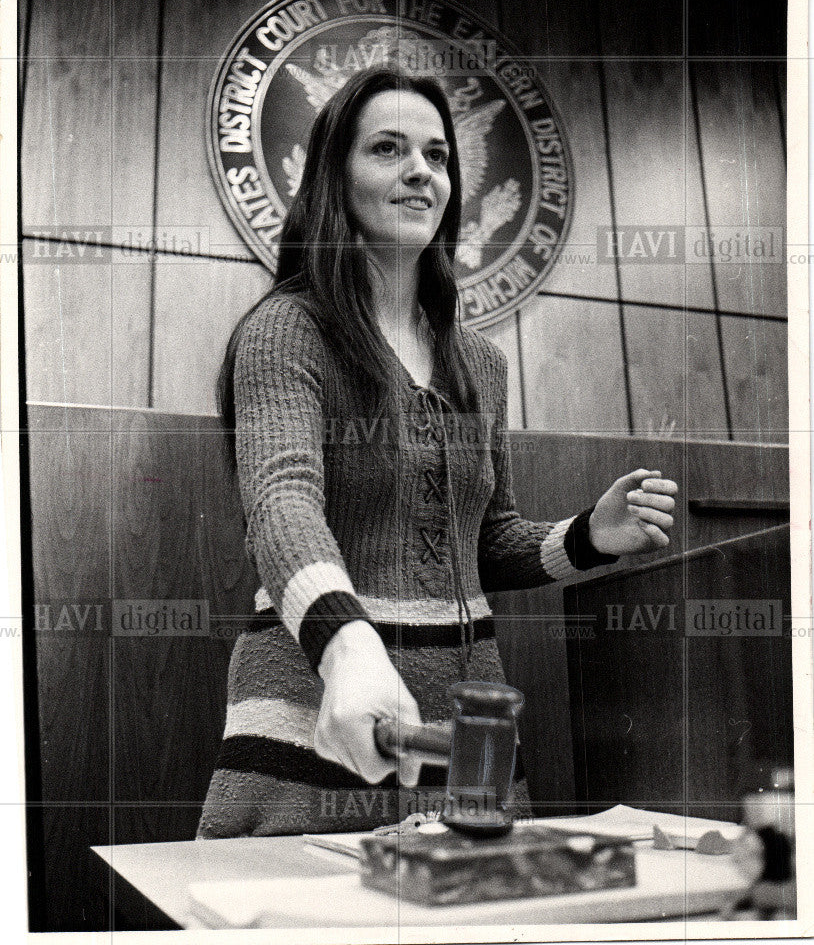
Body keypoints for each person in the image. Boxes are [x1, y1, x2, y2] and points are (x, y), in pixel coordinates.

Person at [196, 66, 678, 838]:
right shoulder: (287, 331)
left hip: (467, 727)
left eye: (438, 154)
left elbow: (484, 545)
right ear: (334, 178)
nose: (421, 170)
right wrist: (348, 653)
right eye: (387, 149)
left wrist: (589, 536)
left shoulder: (480, 362)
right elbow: (281, 506)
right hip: (317, 703)